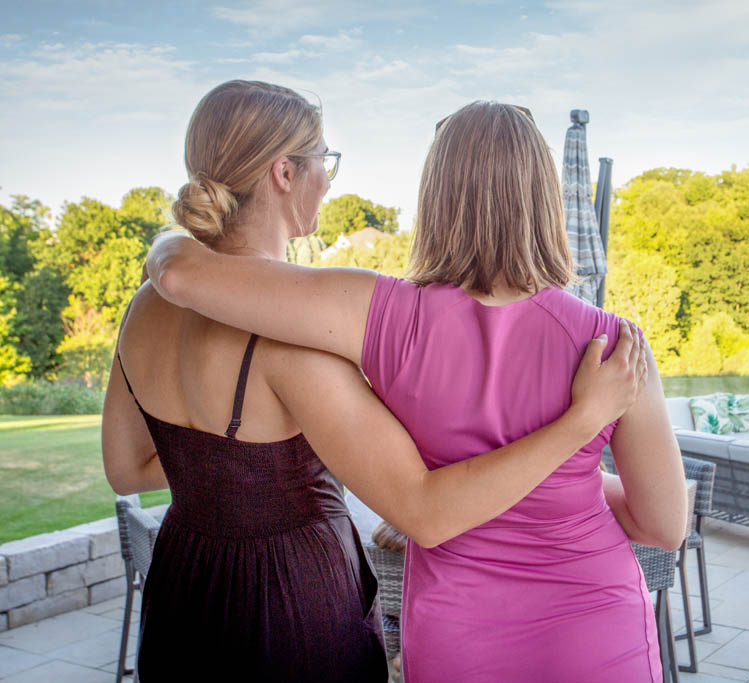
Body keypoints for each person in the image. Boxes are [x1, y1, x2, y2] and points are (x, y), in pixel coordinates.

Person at [103, 81, 649, 682]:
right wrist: (580, 424)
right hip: (289, 603)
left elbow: (127, 469)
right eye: (324, 162)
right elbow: (423, 509)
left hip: (183, 586)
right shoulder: (296, 345)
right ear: (286, 172)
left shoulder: (142, 308)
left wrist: (236, 469)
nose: (329, 180)